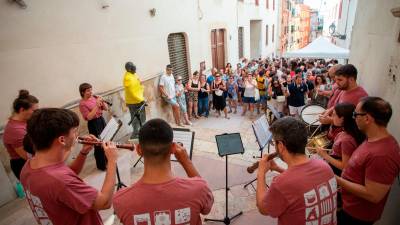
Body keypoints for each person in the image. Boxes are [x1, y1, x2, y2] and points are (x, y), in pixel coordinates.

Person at [20, 108, 118, 225]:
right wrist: (112, 160)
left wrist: (83, 152)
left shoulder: (28, 167)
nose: (77, 135)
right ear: (62, 140)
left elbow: (68, 174)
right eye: (75, 131)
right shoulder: (60, 180)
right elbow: (104, 202)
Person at [113, 119, 214, 225]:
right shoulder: (198, 189)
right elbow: (207, 207)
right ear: (173, 148)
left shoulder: (121, 200)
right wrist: (186, 162)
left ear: (139, 150)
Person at [256, 117, 337, 225]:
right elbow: (302, 183)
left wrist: (261, 173)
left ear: (280, 146)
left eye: (274, 143)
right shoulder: (324, 167)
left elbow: (263, 208)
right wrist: (278, 169)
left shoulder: (281, 183)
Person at [336, 97, 400, 225]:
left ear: (367, 118)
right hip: (349, 205)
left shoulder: (382, 154)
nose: (353, 118)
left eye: (355, 114)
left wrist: (336, 179)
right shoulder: (372, 139)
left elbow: (373, 195)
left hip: (358, 215)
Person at [314, 103, 365, 175]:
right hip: (333, 158)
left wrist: (325, 155)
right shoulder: (346, 130)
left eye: (334, 115)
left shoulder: (347, 140)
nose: (331, 117)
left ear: (342, 119)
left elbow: (344, 166)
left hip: (337, 171)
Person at [3, 90, 39, 179]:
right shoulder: (15, 130)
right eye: (34, 110)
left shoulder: (25, 121)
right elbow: (27, 156)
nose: (36, 113)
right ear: (22, 109)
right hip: (23, 164)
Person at [79, 83, 108, 170]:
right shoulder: (82, 104)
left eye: (91, 89)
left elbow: (106, 109)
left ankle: (108, 160)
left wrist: (102, 101)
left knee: (105, 140)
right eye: (88, 91)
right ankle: (101, 165)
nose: (90, 92)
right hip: (93, 123)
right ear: (82, 92)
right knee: (98, 144)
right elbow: (89, 117)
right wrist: (96, 105)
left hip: (101, 120)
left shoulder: (94, 98)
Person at [123, 62, 146, 140]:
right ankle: (135, 134)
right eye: (134, 68)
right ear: (129, 69)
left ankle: (142, 132)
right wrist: (141, 100)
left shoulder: (133, 74)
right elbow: (132, 92)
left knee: (142, 117)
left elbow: (138, 83)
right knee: (135, 118)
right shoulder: (127, 78)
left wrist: (141, 86)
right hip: (134, 102)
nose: (135, 70)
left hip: (139, 100)